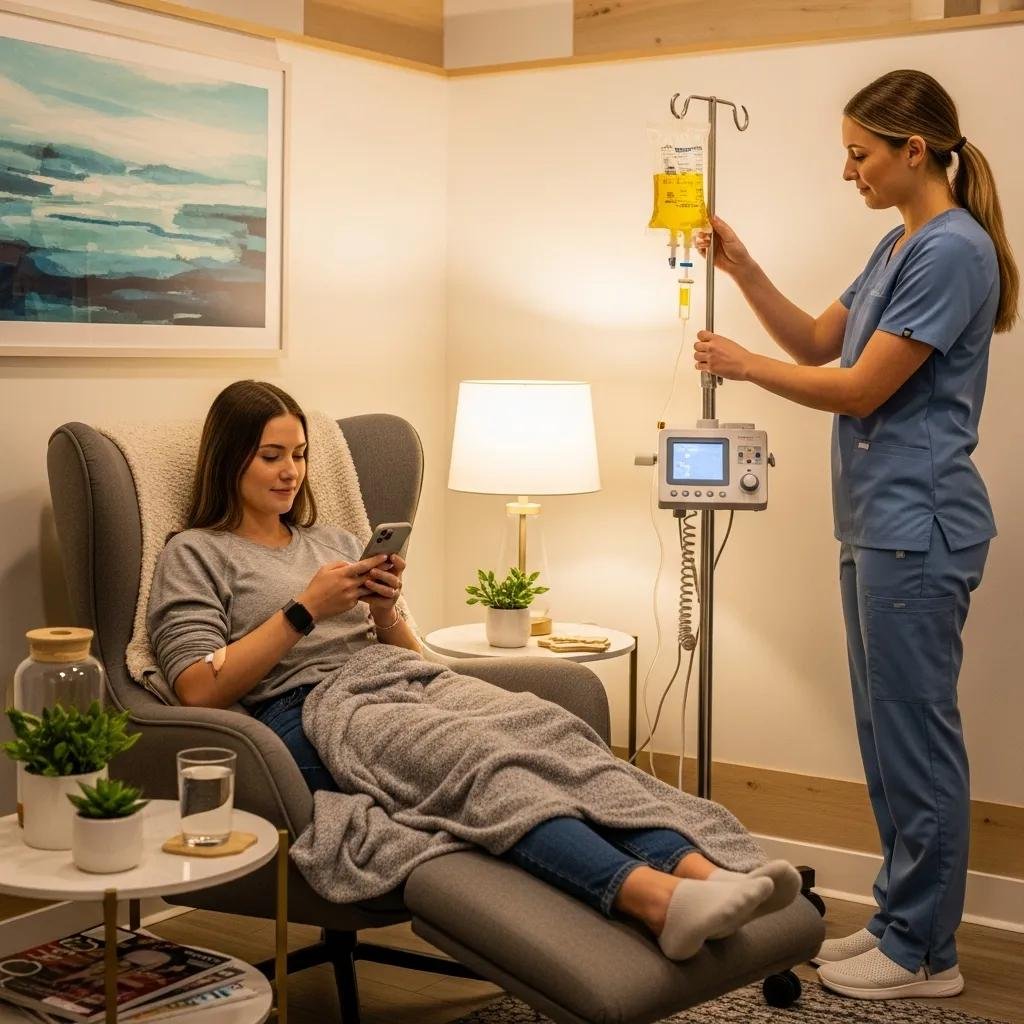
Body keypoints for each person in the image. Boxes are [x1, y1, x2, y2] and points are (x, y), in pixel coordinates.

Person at [148, 379, 802, 962]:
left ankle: (704, 872)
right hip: (314, 712)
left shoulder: (334, 542)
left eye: (299, 454)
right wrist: (304, 610)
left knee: (550, 732)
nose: (291, 472)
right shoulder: (198, 553)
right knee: (485, 766)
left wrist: (384, 610)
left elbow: (406, 656)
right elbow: (197, 689)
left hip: (398, 681)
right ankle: (653, 900)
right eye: (271, 456)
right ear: (230, 459)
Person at [692, 69, 1018, 1000]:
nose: (849, 171)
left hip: (920, 526)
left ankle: (925, 954)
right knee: (885, 738)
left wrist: (743, 367)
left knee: (916, 740)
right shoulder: (898, 242)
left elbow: (861, 387)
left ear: (915, 150)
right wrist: (741, 268)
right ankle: (898, 918)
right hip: (878, 525)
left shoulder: (952, 251)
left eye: (860, 154)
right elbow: (815, 344)